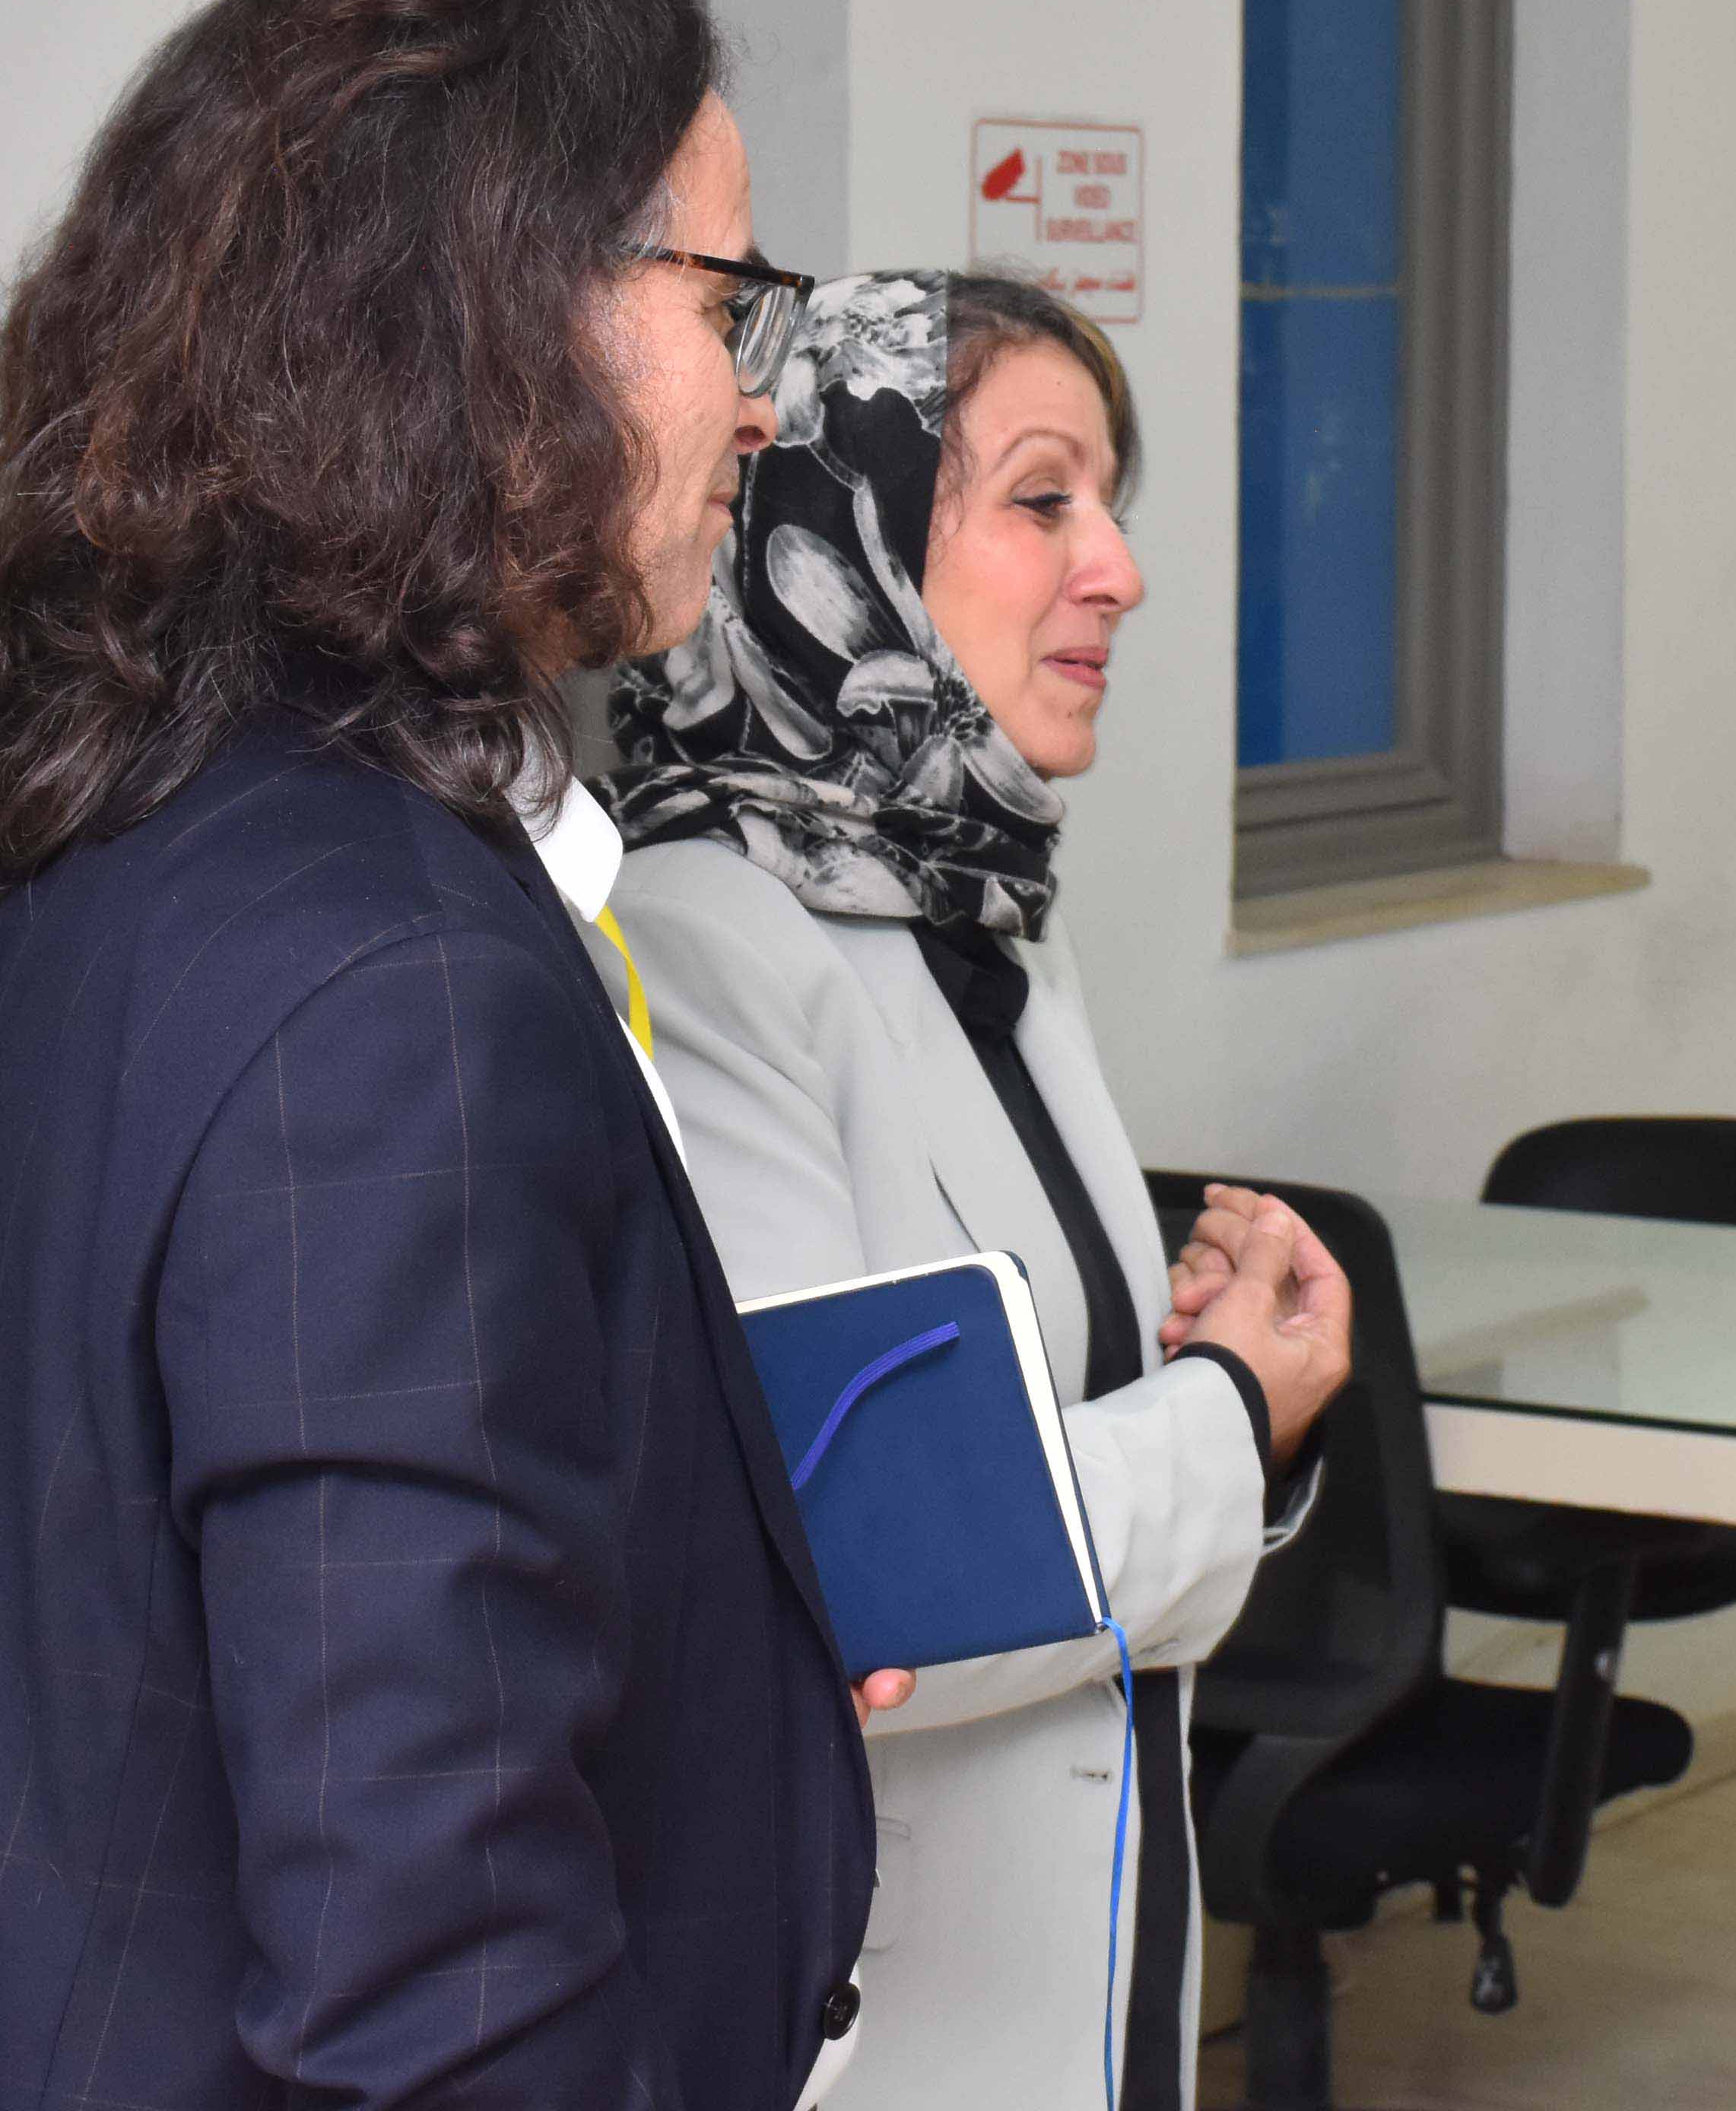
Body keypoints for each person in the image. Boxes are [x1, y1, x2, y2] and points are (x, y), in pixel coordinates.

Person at [0, 0, 898, 2111]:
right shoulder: (391, 993)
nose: (764, 396)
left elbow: (137, 1636)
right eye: (727, 301)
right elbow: (440, 1996)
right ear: (504, 312)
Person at [601, 269, 1355, 2111]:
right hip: (885, 2015)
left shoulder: (985, 911)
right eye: (1043, 499)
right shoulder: (705, 948)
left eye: (1110, 503)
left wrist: (1202, 1381)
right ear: (834, 541)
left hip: (1083, 1956)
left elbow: (1045, 1444)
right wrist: (1229, 1410)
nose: (1121, 570)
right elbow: (857, 1574)